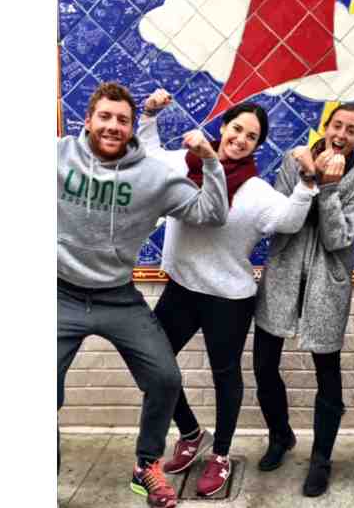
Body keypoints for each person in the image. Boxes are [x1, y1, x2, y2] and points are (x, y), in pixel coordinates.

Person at [133, 89, 319, 497]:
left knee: (225, 375)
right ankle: (190, 433)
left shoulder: (256, 191)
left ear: (257, 145)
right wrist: (148, 114)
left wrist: (307, 180)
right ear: (223, 127)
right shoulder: (186, 163)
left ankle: (220, 454)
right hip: (181, 288)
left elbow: (289, 220)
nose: (241, 139)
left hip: (229, 299)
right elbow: (149, 155)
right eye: (237, 129)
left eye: (252, 136)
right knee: (154, 367)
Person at [57, 82, 229, 508]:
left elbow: (212, 214)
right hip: (58, 294)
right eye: (105, 117)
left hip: (117, 296)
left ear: (132, 127)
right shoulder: (56, 156)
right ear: (88, 120)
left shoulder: (154, 177)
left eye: (122, 120)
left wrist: (211, 160)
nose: (113, 126)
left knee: (165, 379)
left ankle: (146, 464)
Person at [253, 103, 354, 497]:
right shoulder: (295, 161)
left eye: (351, 130)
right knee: (263, 364)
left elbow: (338, 239)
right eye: (337, 125)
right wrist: (308, 177)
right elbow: (283, 220)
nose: (341, 135)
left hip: (326, 285)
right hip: (283, 276)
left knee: (328, 375)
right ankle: (280, 435)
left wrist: (331, 188)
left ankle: (321, 458)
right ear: (326, 126)